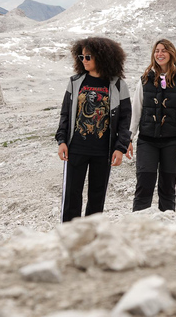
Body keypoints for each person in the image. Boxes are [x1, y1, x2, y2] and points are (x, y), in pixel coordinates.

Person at [56, 37, 132, 223]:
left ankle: (92, 234)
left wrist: (120, 147)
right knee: (71, 196)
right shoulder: (75, 82)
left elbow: (125, 120)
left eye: (88, 56)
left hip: (103, 151)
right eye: (81, 57)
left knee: (97, 198)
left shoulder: (118, 85)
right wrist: (61, 141)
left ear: (102, 56)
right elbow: (65, 114)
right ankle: (69, 234)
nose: (84, 60)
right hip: (76, 149)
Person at [129, 39, 176, 212]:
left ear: (171, 53)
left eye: (164, 50)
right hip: (147, 141)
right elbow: (136, 111)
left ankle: (168, 224)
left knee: (168, 188)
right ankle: (138, 225)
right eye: (157, 50)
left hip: (172, 143)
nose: (160, 54)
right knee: (144, 185)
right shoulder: (144, 81)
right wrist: (129, 137)